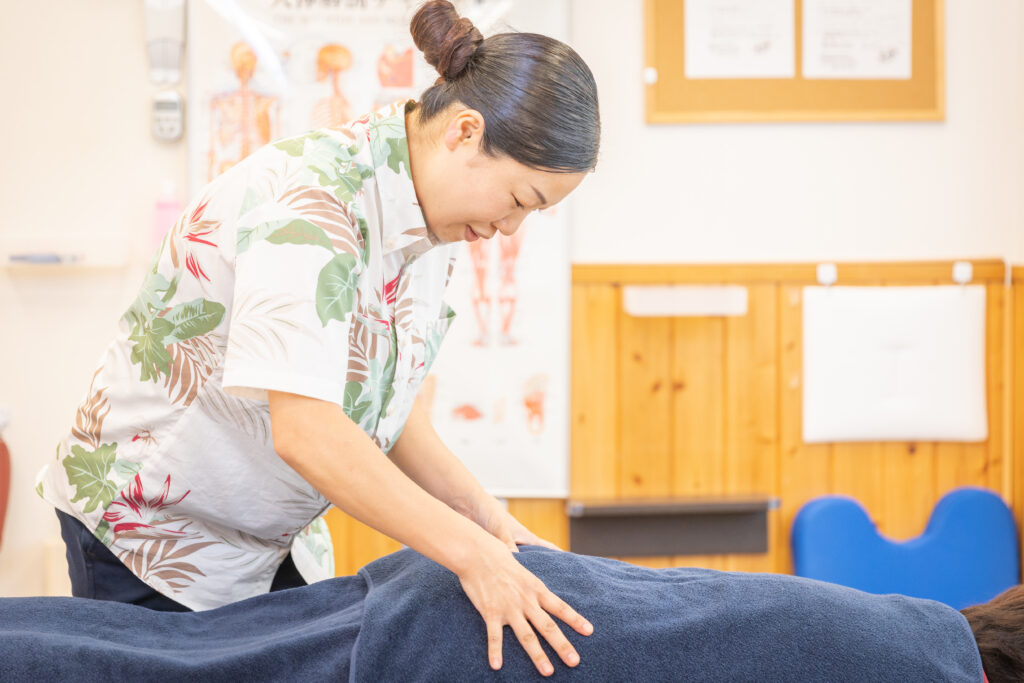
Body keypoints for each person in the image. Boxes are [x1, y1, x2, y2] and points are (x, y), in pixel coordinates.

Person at [34, 1, 599, 677]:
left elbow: (392, 419)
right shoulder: (310, 202)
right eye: (519, 199)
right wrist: (468, 554)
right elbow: (307, 431)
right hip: (154, 525)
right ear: (465, 134)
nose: (511, 229)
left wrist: (489, 522)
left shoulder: (432, 224)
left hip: (268, 539)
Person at [0, 546, 996, 681]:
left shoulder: (907, 622)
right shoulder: (927, 669)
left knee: (176, 652)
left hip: (476, 591)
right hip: (477, 637)